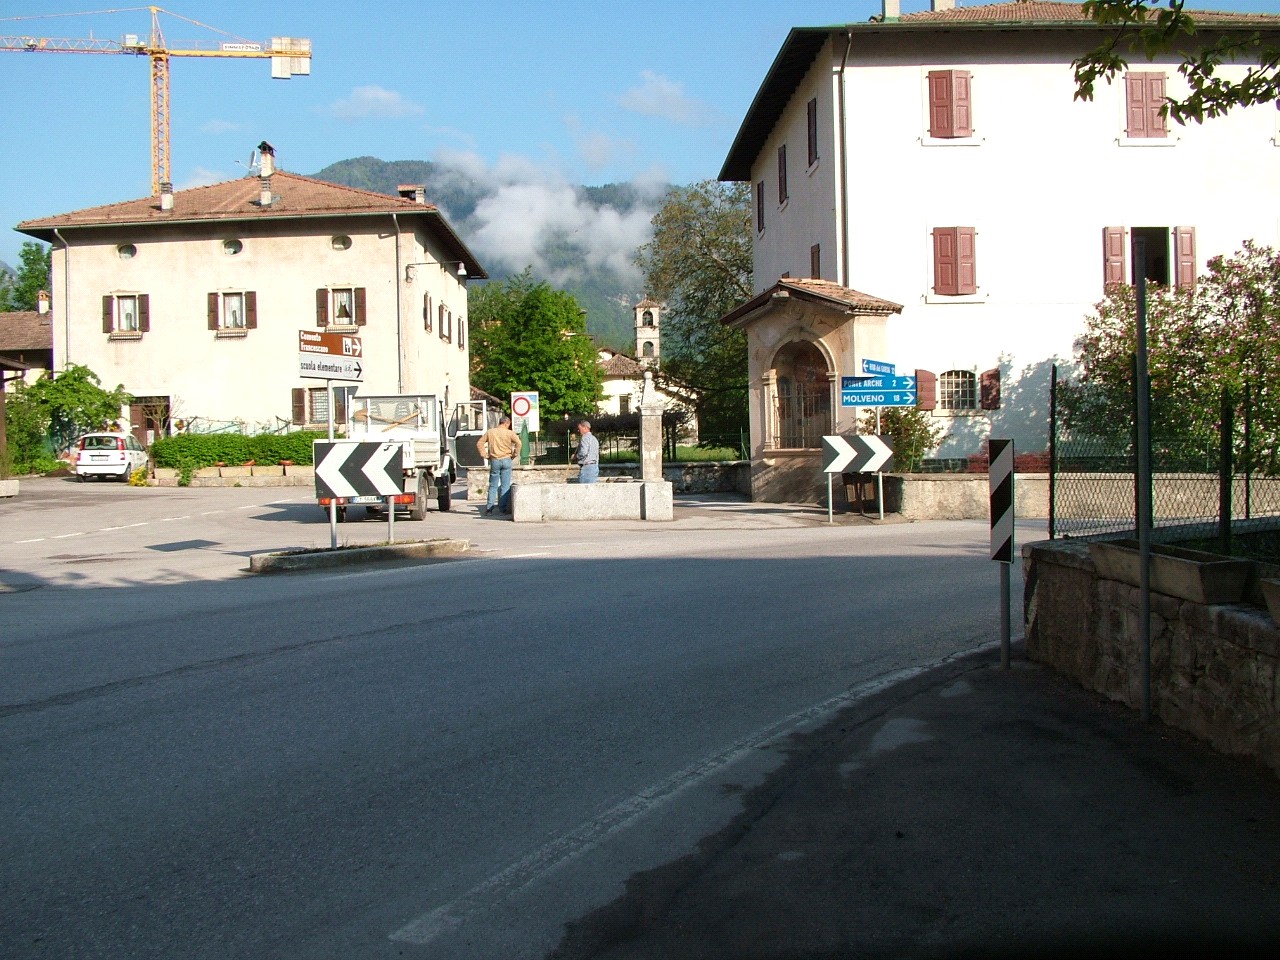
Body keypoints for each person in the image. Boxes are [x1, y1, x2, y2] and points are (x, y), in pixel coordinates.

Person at [476, 414, 522, 514]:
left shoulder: (490, 432)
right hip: (506, 459)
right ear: (507, 423)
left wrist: (485, 455)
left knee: (493, 484)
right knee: (505, 485)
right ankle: (502, 509)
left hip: (494, 460)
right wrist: (514, 454)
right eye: (509, 424)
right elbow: (519, 443)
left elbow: (479, 443)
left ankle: (489, 508)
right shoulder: (510, 433)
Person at [574, 419, 599, 484]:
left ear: (585, 428)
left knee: (583, 491)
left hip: (587, 468)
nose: (578, 431)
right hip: (595, 467)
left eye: (579, 429)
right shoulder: (594, 439)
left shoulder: (584, 438)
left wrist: (576, 456)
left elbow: (583, 452)